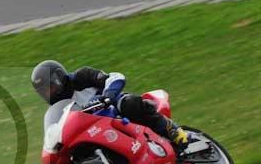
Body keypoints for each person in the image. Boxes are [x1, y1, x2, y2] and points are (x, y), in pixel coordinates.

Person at [30, 60, 190, 147]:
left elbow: (114, 77)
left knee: (128, 103)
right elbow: (56, 131)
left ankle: (172, 130)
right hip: (95, 131)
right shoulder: (58, 109)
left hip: (113, 111)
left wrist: (108, 96)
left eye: (50, 87)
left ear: (59, 78)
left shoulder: (82, 76)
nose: (48, 93)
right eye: (43, 91)